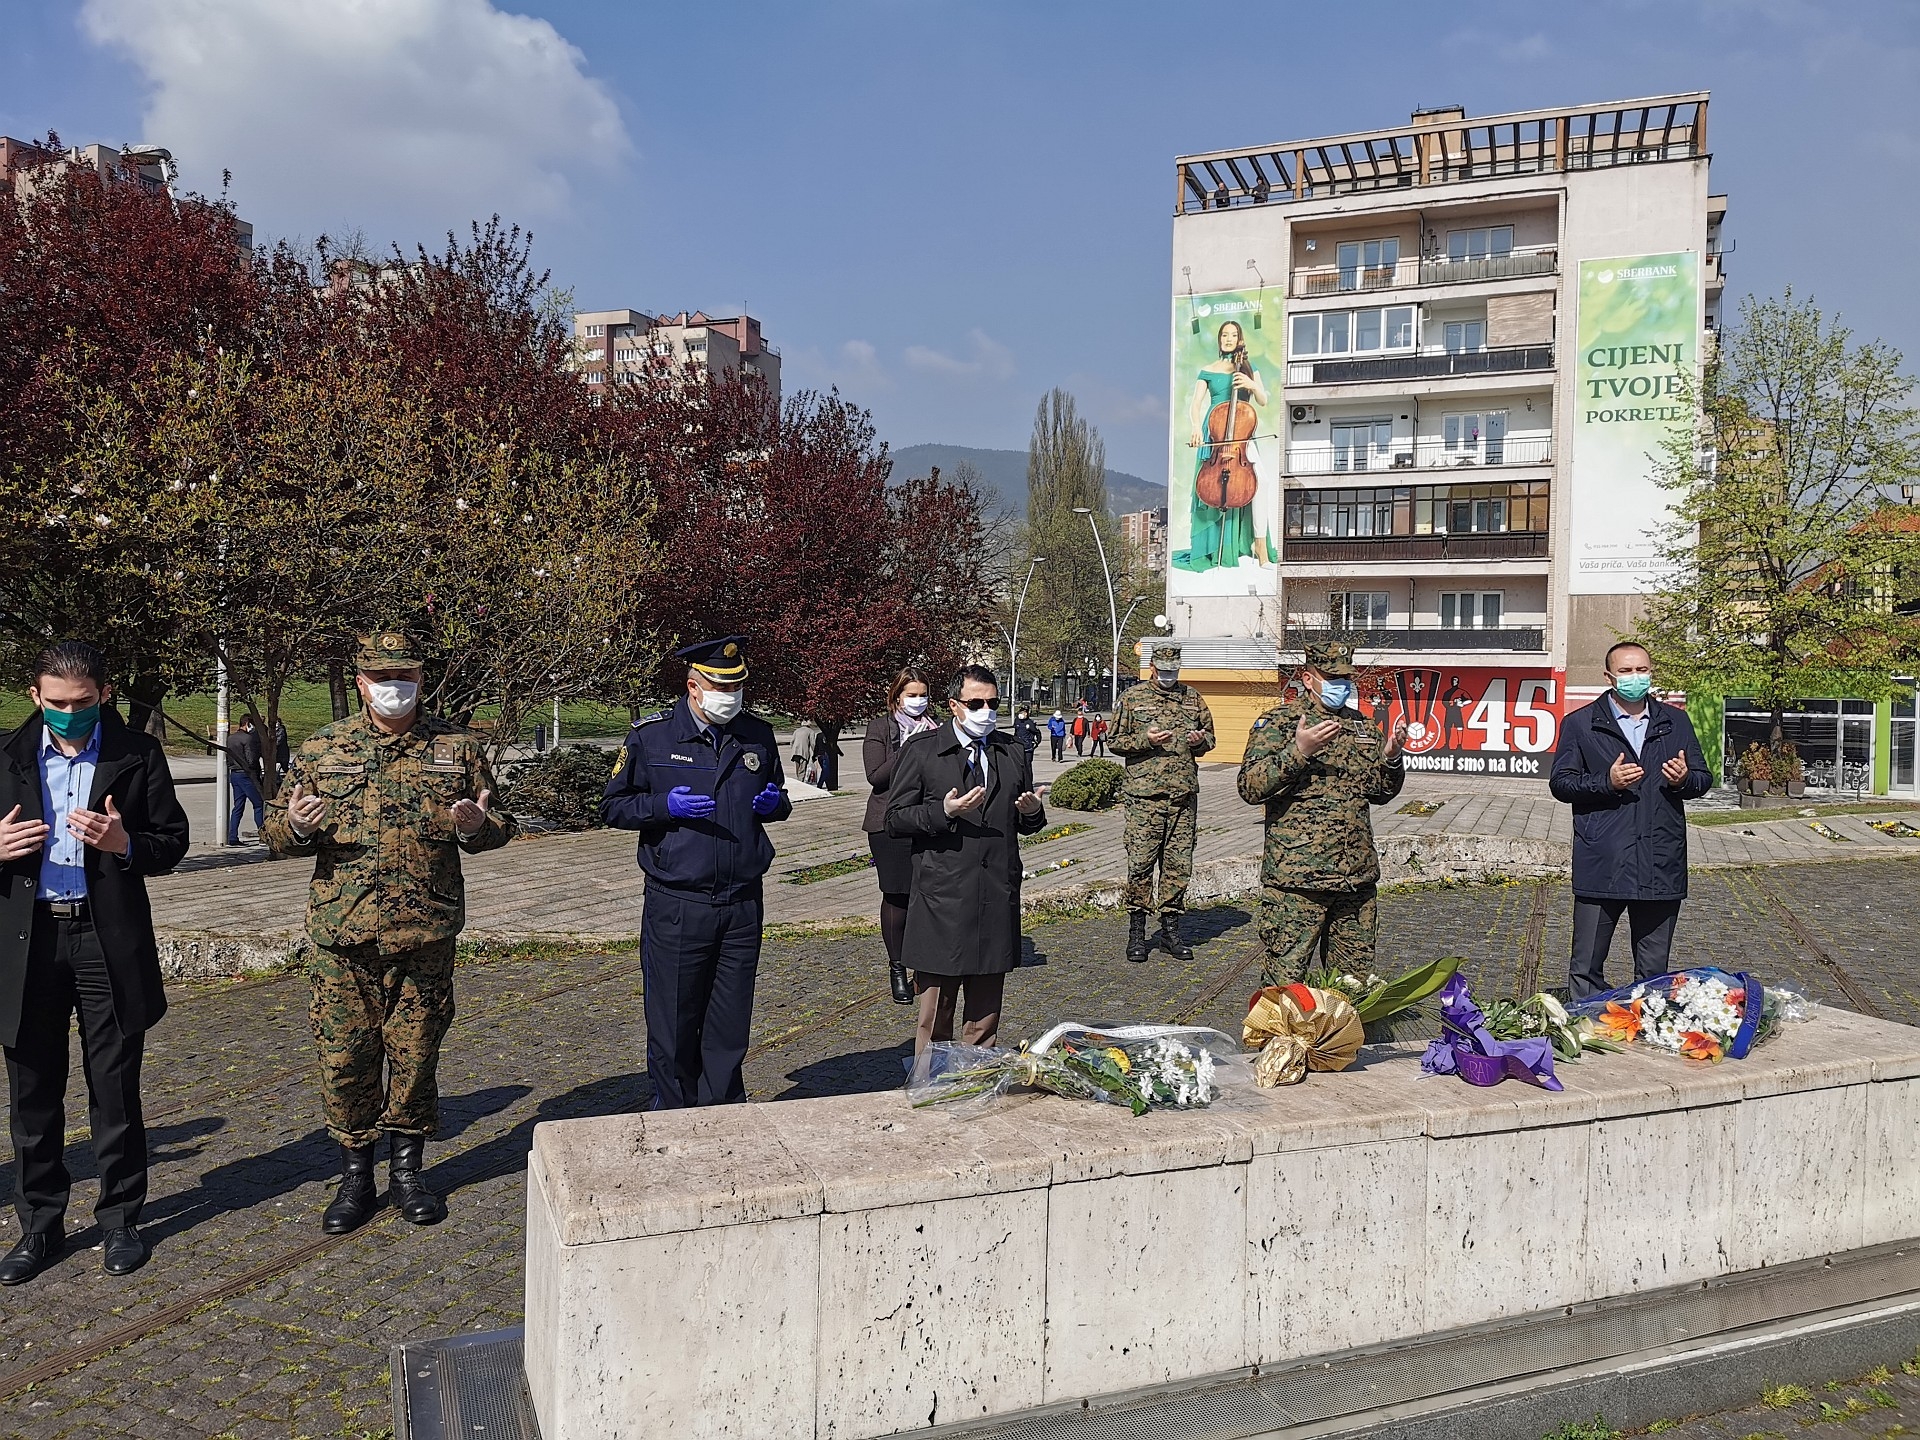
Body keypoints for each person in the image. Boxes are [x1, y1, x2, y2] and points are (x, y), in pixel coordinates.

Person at [263, 628, 516, 1234]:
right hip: (342, 937)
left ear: (422, 680)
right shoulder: (322, 749)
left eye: (405, 677)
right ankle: (356, 1176)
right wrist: (296, 827)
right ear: (361, 683)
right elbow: (275, 835)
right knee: (346, 1057)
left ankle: (408, 1171)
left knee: (415, 1053)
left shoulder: (456, 748)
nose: (394, 688)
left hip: (425, 935)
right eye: (382, 678)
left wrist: (477, 825)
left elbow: (498, 825)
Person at [0, 640, 190, 1284]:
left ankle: (120, 1220)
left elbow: (172, 842)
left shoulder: (136, 752)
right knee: (32, 1093)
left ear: (104, 695)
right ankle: (40, 1225)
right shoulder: (6, 754)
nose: (69, 714)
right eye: (56, 703)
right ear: (35, 696)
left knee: (114, 1090)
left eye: (82, 703)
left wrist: (125, 841)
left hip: (105, 941)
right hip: (29, 945)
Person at [602, 636, 792, 1108]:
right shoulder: (653, 736)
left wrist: (777, 805)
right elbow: (613, 806)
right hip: (679, 901)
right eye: (721, 686)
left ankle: (724, 1108)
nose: (732, 695)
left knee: (729, 1020)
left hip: (743, 899)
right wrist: (663, 806)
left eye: (739, 686)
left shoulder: (758, 735)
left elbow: (778, 794)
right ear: (693, 686)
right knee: (674, 1017)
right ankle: (673, 1108)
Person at [886, 664, 1046, 1052]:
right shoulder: (923, 751)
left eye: (992, 703)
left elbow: (1025, 822)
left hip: (995, 893)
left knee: (986, 1009)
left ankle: (978, 1080)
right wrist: (944, 813)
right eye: (976, 703)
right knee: (937, 1009)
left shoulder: (1011, 751)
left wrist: (1031, 814)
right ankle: (931, 1082)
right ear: (954, 705)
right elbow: (895, 818)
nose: (985, 711)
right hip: (944, 896)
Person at [1550, 641, 1713, 998]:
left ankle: (1646, 1032)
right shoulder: (1581, 724)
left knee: (1654, 974)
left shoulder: (1675, 721)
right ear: (1609, 676)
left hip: (1660, 861)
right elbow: (1561, 784)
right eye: (1625, 671)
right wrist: (1605, 782)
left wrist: (1684, 779)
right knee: (1586, 966)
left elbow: (1703, 778)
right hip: (1603, 860)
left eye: (1641, 669)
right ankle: (1587, 1032)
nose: (1635, 677)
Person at [1236, 641, 1406, 985]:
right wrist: (1300, 751)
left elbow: (1380, 792)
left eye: (1345, 678)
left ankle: (1343, 1041)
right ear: (1308, 678)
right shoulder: (1279, 722)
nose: (1340, 686)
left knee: (1352, 987)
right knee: (1285, 987)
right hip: (1299, 881)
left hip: (1354, 880)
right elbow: (1250, 787)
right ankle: (1278, 1040)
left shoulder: (1360, 726)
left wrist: (1391, 757)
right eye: (1331, 677)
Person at [1107, 646, 1215, 965]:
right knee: (1141, 864)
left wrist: (1200, 742)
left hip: (1182, 797)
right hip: (1145, 798)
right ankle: (1137, 934)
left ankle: (1170, 931)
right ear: (1152, 666)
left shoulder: (1193, 698)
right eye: (1164, 670)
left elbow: (1210, 738)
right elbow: (1115, 741)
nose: (1169, 676)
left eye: (1174, 670)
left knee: (1178, 866)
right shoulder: (1132, 698)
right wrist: (1146, 740)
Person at [862, 670, 940, 1006]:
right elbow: (876, 777)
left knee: (926, 894)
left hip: (926, 821)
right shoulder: (880, 728)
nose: (918, 701)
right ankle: (897, 968)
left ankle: (923, 963)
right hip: (888, 824)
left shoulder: (936, 728)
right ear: (896, 697)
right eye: (911, 694)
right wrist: (909, 746)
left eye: (922, 694)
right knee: (897, 896)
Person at [1180, 319, 1275, 572]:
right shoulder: (1207, 370)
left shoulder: (1247, 367)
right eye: (1224, 335)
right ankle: (1214, 547)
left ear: (1239, 339)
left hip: (1242, 434)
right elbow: (1196, 404)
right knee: (1213, 487)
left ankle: (1260, 545)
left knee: (1260, 482)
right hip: (1216, 432)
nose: (1229, 339)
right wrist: (1194, 427)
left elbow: (1263, 400)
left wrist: (1251, 384)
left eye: (1233, 335)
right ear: (1219, 339)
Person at [227, 713, 266, 845]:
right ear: (248, 724)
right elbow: (251, 759)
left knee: (238, 806)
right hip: (246, 775)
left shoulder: (230, 738)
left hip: (234, 774)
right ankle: (263, 835)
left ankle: (232, 836)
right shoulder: (247, 739)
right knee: (258, 804)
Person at [789, 718, 820, 788]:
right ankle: (800, 783)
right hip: (804, 752)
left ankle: (798, 780)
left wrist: (793, 749)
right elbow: (813, 744)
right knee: (802, 768)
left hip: (795, 752)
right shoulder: (810, 731)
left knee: (798, 767)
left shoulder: (796, 731)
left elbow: (792, 742)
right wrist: (815, 753)